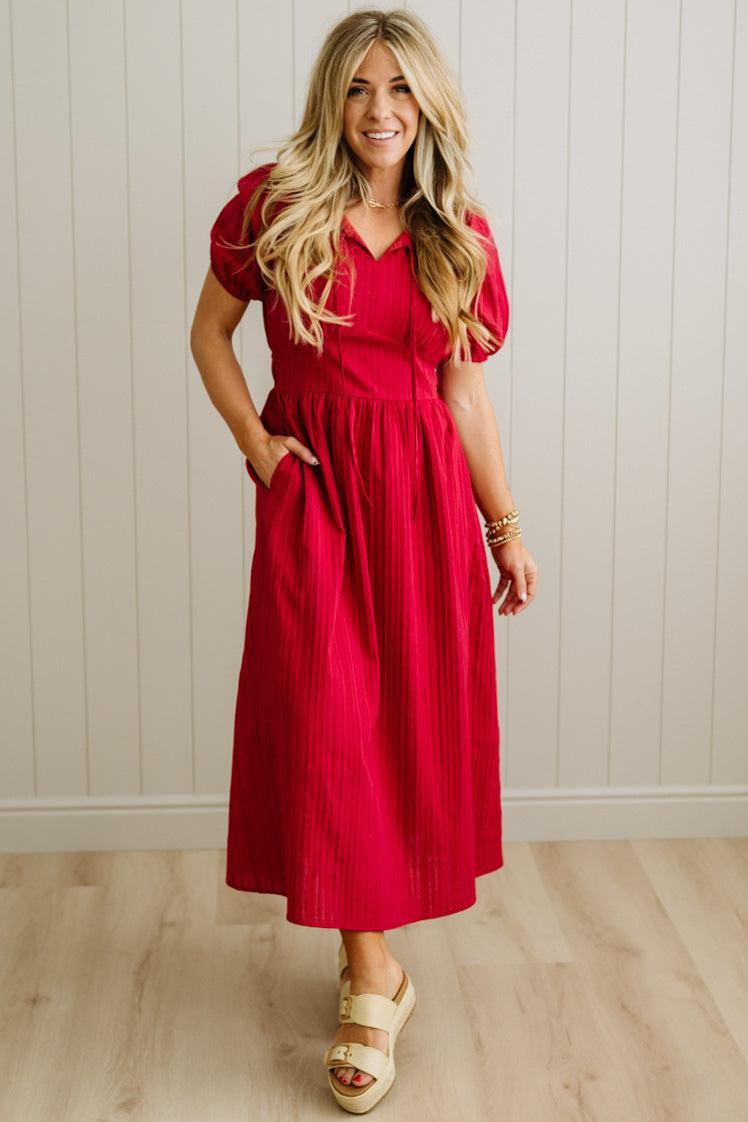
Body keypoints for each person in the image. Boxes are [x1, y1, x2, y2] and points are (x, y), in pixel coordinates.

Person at [190, 7, 537, 1112]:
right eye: (355, 88)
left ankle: (365, 963)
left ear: (426, 101)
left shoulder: (457, 234)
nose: (377, 109)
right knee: (330, 727)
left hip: (426, 505)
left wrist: (505, 524)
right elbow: (209, 332)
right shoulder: (275, 206)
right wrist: (260, 450)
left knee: (399, 731)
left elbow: (463, 393)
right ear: (329, 102)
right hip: (318, 497)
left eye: (396, 88)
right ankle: (370, 979)